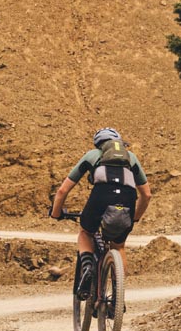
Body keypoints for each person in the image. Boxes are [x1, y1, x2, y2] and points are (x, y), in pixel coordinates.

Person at [50, 127, 151, 298]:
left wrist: (56, 213)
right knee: (118, 246)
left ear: (98, 144)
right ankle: (118, 297)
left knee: (85, 232)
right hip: (127, 199)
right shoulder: (131, 157)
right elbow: (146, 194)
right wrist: (135, 217)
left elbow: (62, 191)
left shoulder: (92, 155)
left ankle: (88, 267)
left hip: (101, 196)